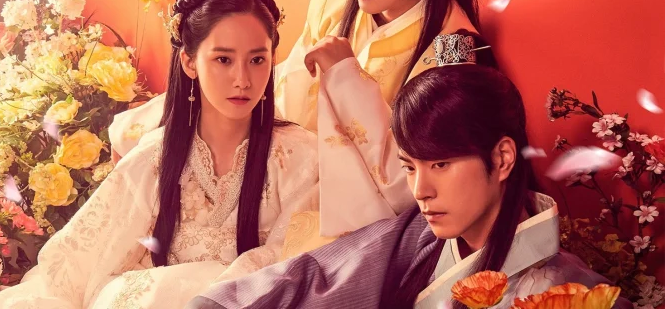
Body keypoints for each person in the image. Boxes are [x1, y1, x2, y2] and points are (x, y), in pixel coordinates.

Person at [108, 0, 494, 238]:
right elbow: (273, 90)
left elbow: (411, 184)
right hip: (281, 175)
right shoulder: (332, 2)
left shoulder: (454, 49)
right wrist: (147, 122)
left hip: (351, 219)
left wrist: (346, 78)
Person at [0, 0, 319, 309]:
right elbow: (76, 263)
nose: (242, 79)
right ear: (189, 62)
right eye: (223, 59)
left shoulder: (300, 158)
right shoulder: (157, 155)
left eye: (257, 59)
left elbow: (296, 262)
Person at [187, 63, 631, 309]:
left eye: (440, 163)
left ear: (501, 158)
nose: (421, 190)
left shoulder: (573, 294)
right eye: (410, 167)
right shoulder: (423, 236)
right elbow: (314, 276)